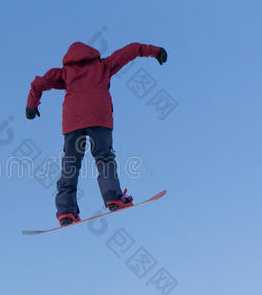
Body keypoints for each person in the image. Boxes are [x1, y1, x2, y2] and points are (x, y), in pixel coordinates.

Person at [26, 41, 167, 226]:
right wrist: (155, 52)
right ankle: (113, 198)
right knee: (104, 157)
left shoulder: (65, 73)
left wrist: (31, 105)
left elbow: (39, 82)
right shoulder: (103, 65)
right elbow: (130, 51)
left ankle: (66, 212)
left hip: (73, 122)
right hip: (99, 118)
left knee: (71, 163)